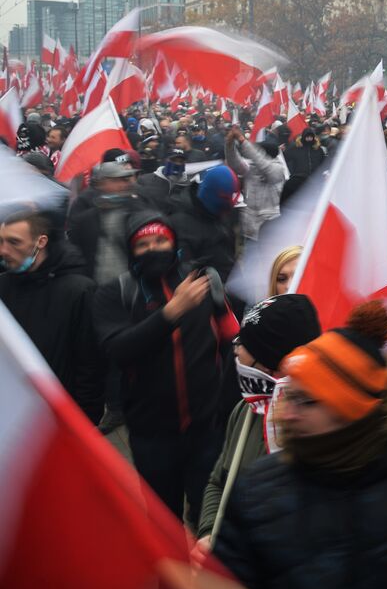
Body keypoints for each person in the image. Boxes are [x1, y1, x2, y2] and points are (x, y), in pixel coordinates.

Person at [214, 302, 387, 589]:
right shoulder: (257, 491)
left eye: (307, 401)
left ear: (351, 414)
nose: (287, 414)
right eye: (289, 396)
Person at [91, 211, 239, 523]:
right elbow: (117, 350)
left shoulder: (200, 282)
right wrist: (171, 313)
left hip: (207, 430)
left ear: (174, 243)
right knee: (163, 521)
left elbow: (231, 339)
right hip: (152, 436)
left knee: (209, 516)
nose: (153, 249)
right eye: (142, 244)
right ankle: (172, 573)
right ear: (130, 250)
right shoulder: (114, 293)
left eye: (160, 240)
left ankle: (207, 569)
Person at [196, 293, 321, 545]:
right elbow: (218, 481)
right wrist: (209, 531)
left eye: (245, 343)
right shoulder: (246, 410)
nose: (236, 348)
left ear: (271, 363)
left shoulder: (319, 431)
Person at [0, 209, 105, 423]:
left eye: (14, 242)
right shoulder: (3, 286)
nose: (3, 250)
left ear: (41, 241)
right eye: (0, 241)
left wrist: (86, 417)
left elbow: (89, 361)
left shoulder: (78, 291)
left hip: (60, 413)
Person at [66, 149, 145, 285]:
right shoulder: (85, 216)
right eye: (118, 180)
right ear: (102, 183)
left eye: (126, 179)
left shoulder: (140, 208)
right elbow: (74, 253)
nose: (125, 184)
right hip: (96, 288)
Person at [168, 163, 241, 281]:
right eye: (227, 199)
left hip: (230, 284)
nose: (231, 205)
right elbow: (184, 274)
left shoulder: (218, 214)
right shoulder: (180, 225)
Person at [226, 128, 287, 241]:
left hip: (269, 225)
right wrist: (229, 146)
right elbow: (234, 163)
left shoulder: (277, 169)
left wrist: (243, 141)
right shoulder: (251, 168)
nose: (255, 153)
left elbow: (263, 164)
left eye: (259, 151)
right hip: (250, 226)